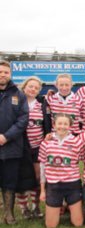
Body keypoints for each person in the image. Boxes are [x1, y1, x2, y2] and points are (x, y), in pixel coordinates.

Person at [39, 114, 84, 228]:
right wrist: (43, 190)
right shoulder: (46, 142)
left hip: (72, 184)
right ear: (54, 125)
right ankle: (60, 204)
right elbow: (42, 166)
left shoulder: (77, 142)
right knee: (50, 226)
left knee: (78, 223)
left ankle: (70, 205)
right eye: (59, 123)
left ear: (70, 126)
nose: (62, 126)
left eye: (65, 124)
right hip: (54, 185)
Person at [16, 76, 51, 219]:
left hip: (37, 147)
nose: (33, 89)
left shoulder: (41, 104)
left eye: (36, 88)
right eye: (31, 86)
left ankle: (35, 207)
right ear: (24, 87)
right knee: (21, 178)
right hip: (20, 147)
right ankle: (24, 209)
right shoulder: (17, 103)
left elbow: (46, 123)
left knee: (37, 177)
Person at [0, 60, 29, 224]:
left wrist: (6, 136)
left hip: (12, 146)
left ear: (10, 74)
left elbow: (23, 119)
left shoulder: (19, 94)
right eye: (0, 72)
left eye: (5, 72)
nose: (2, 75)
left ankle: (9, 214)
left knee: (9, 181)